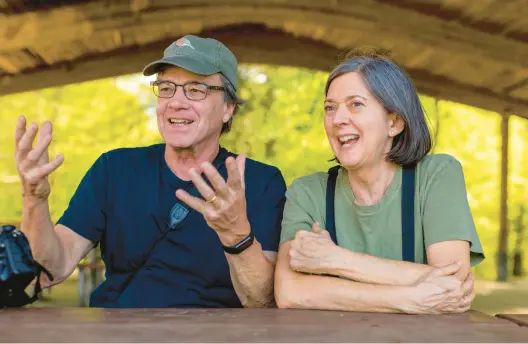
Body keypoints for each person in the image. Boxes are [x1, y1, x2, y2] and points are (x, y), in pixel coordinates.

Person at [14, 35, 286, 308]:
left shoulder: (262, 182)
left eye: (195, 90)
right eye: (167, 88)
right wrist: (34, 200)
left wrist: (236, 234)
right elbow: (51, 268)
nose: (176, 102)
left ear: (228, 108)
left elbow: (262, 300)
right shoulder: (114, 170)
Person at [274, 54, 485, 314]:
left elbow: (453, 285)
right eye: (330, 107)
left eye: (355, 104)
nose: (337, 119)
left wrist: (336, 260)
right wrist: (406, 300)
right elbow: (289, 291)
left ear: (394, 122)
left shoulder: (437, 174)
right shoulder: (307, 193)